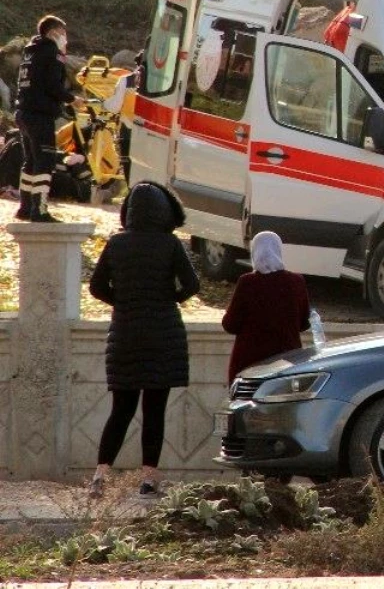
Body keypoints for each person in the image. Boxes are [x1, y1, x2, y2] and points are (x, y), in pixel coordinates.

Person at [88, 182, 200, 497]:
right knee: (154, 410)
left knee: (120, 409)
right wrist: (169, 299)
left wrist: (123, 302)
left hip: (124, 336)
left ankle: (100, 476)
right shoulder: (170, 245)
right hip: (163, 337)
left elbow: (96, 287)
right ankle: (149, 479)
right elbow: (192, 284)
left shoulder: (116, 244)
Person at [13, 15, 85, 221]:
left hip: (23, 112)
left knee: (30, 162)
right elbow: (52, 86)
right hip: (40, 115)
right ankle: (40, 210)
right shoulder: (51, 53)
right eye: (63, 33)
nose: (65, 38)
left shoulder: (30, 51)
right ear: (53, 33)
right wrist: (72, 99)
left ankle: (25, 207)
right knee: (44, 162)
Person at [221, 231, 312, 385]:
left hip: (248, 365)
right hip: (287, 363)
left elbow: (230, 325)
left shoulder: (247, 283)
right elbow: (304, 323)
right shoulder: (297, 281)